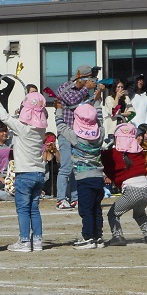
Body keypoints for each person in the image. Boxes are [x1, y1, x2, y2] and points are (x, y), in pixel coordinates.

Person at [0, 91, 48, 252]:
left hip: (25, 173)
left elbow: (5, 118)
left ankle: (24, 241)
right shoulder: (41, 130)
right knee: (34, 208)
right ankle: (37, 241)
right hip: (38, 172)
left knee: (23, 208)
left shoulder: (23, 129)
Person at [55, 87, 106, 249]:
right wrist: (97, 101)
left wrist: (58, 110)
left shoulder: (76, 137)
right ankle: (98, 236)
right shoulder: (100, 134)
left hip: (83, 178)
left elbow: (61, 126)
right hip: (99, 177)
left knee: (86, 209)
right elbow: (100, 119)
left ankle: (89, 237)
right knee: (97, 208)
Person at [101, 123, 147, 246]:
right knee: (140, 213)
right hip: (146, 188)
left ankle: (117, 236)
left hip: (131, 189)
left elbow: (102, 159)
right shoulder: (139, 151)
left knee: (113, 213)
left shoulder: (113, 153)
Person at [54, 65, 98, 210]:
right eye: (89, 78)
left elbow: (88, 110)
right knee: (66, 166)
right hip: (66, 132)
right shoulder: (65, 87)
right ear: (82, 77)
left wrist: (96, 95)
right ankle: (61, 199)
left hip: (80, 133)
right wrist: (86, 89)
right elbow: (72, 101)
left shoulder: (84, 92)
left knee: (76, 168)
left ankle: (75, 198)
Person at [42, 132, 59, 197]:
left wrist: (56, 151)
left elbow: (61, 161)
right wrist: (46, 151)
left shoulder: (56, 154)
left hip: (55, 183)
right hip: (45, 183)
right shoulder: (41, 152)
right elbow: (43, 164)